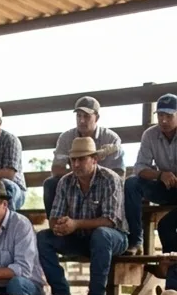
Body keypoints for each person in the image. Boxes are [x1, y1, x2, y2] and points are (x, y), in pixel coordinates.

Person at [37, 137, 126, 295]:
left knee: (102, 235)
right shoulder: (65, 181)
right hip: (80, 237)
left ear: (95, 159)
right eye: (73, 160)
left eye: (81, 159)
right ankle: (61, 294)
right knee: (42, 238)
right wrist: (58, 226)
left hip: (113, 238)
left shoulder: (109, 179)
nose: (76, 164)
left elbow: (110, 221)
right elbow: (55, 215)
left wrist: (75, 224)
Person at [42, 97, 125, 240]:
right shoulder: (66, 138)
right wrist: (80, 172)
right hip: (75, 182)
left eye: (86, 116)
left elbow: (119, 173)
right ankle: (58, 227)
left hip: (107, 185)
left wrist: (91, 172)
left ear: (96, 117)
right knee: (51, 183)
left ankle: (134, 238)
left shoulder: (111, 138)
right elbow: (56, 168)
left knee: (130, 187)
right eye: (79, 116)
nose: (81, 120)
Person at [126, 93, 177, 283]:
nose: (163, 120)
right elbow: (139, 168)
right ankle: (135, 240)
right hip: (164, 186)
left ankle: (169, 272)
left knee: (166, 226)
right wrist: (160, 175)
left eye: (169, 115)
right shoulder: (150, 134)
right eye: (160, 115)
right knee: (131, 183)